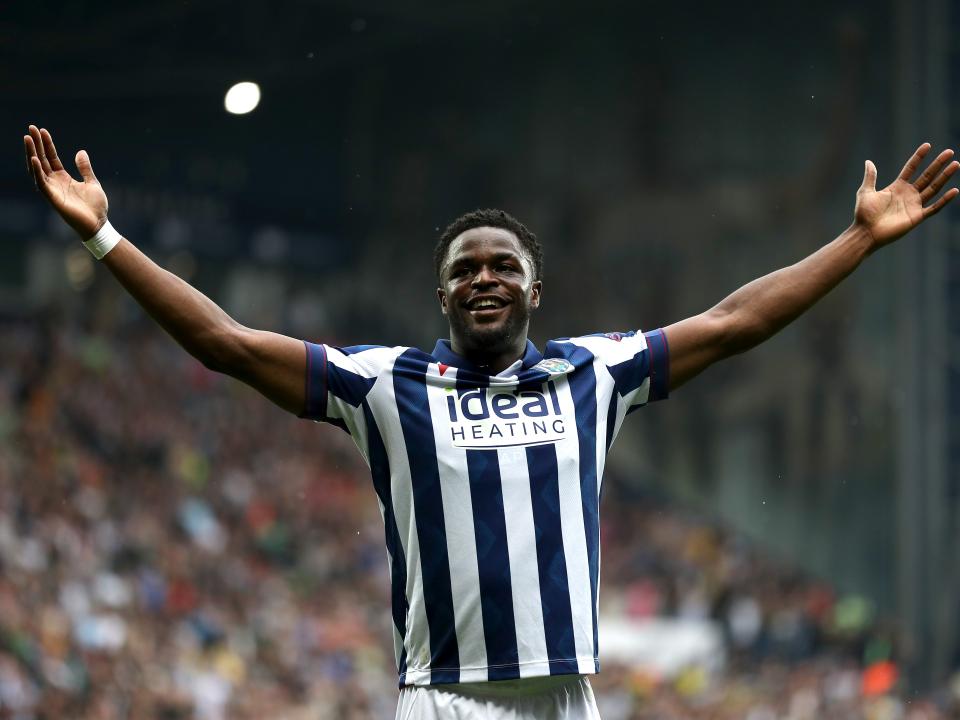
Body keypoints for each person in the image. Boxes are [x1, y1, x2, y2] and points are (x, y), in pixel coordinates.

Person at [23, 124, 958, 719]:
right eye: (465, 268)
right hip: (443, 701)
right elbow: (226, 341)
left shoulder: (595, 373)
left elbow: (733, 322)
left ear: (533, 290)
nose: (483, 277)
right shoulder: (383, 385)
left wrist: (858, 240)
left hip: (567, 697)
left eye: (501, 266)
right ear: (440, 295)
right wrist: (103, 237)